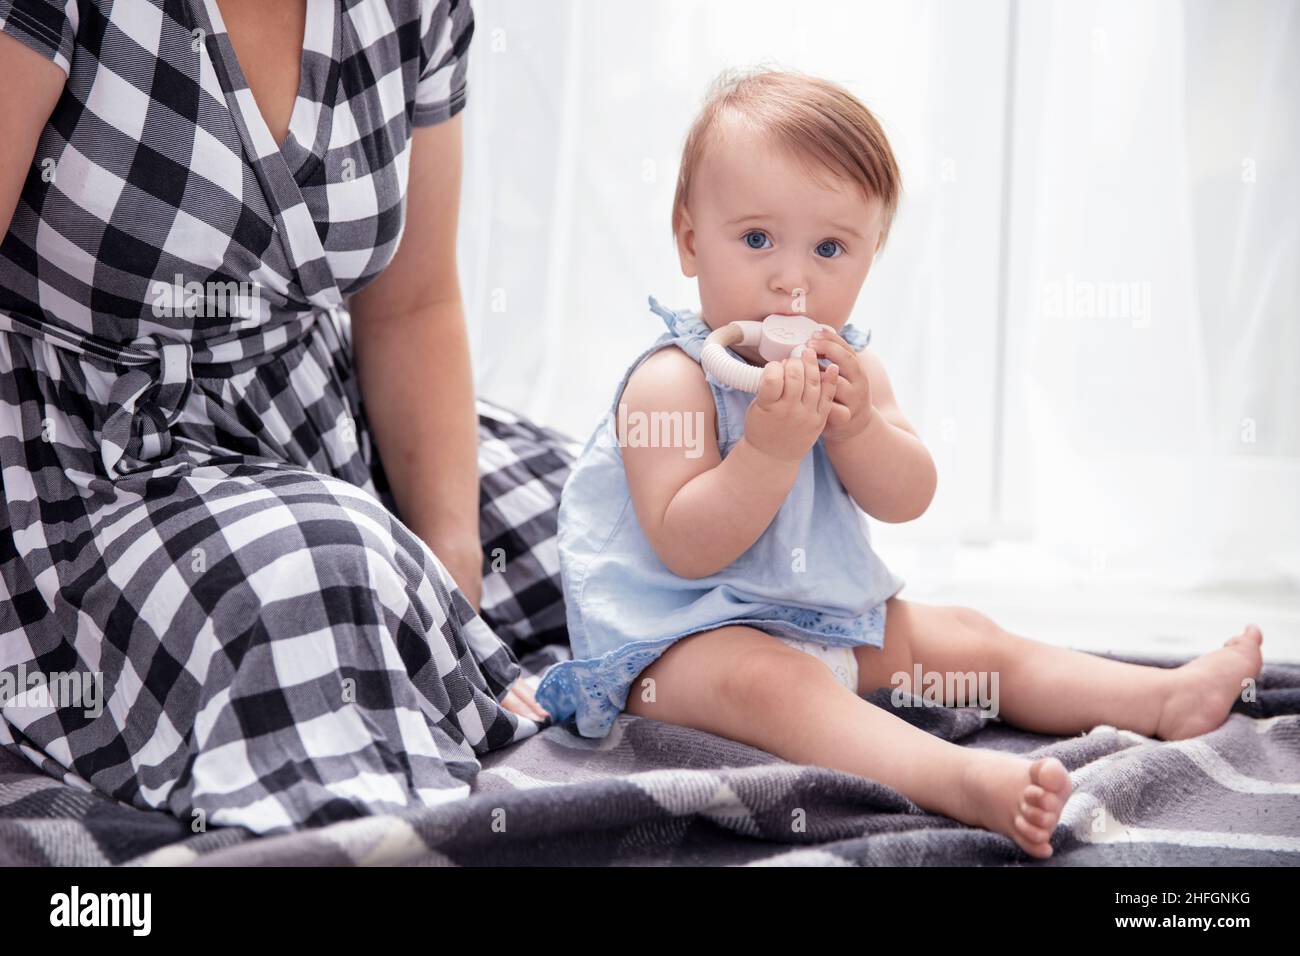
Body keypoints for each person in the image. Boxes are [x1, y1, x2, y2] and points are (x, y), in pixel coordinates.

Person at [533, 68, 1265, 859]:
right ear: (689, 240)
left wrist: (856, 435)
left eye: (830, 248)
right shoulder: (669, 382)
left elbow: (908, 495)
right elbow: (687, 543)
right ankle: (957, 779)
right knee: (774, 684)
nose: (792, 278)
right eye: (755, 240)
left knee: (967, 637)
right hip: (675, 654)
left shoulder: (853, 369)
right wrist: (772, 451)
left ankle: (1164, 695)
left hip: (819, 620)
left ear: (871, 253)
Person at [0, 0, 563, 836]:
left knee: (626, 518)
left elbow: (413, 307)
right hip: (78, 455)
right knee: (322, 574)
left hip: (311, 410)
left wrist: (452, 573)